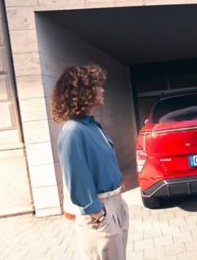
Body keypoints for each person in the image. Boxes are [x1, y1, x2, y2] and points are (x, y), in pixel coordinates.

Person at [51, 64, 129, 260]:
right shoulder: (73, 132)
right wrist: (99, 215)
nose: (102, 90)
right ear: (83, 91)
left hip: (115, 204)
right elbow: (77, 182)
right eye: (97, 86)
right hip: (99, 214)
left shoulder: (92, 126)